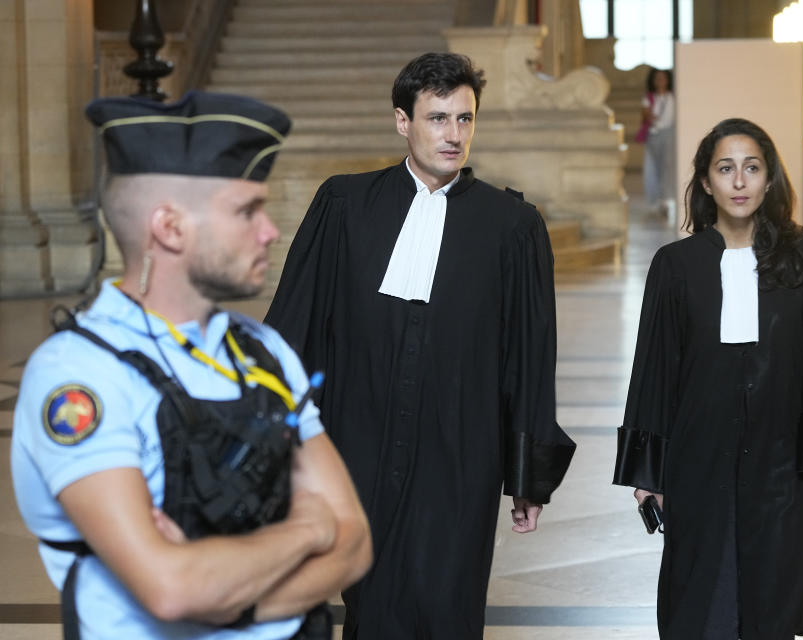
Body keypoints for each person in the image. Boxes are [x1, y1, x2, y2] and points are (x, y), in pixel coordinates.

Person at [10, 91, 372, 639]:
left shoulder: (263, 351)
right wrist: (304, 530)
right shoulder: (78, 374)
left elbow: (354, 542)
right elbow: (171, 589)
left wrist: (226, 598)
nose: (270, 230)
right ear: (170, 227)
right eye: (247, 211)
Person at [265, 52, 576, 639]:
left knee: (449, 601)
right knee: (369, 600)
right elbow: (294, 329)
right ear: (403, 122)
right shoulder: (345, 206)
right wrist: (277, 451)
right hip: (357, 443)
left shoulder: (512, 226)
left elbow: (529, 358)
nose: (453, 135)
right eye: (437, 118)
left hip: (461, 453)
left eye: (464, 119)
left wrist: (527, 474)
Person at [613, 118, 803, 639]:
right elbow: (654, 370)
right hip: (696, 461)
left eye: (752, 168)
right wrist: (650, 471)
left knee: (772, 596)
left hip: (781, 467)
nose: (740, 182)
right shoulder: (676, 266)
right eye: (726, 169)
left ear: (769, 178)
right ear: (707, 182)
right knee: (699, 600)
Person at [640, 67, 676, 211]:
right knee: (653, 167)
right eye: (657, 78)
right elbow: (646, 114)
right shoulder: (649, 97)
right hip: (654, 135)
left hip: (670, 134)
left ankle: (666, 197)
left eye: (663, 78)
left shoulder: (673, 96)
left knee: (668, 166)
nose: (660, 81)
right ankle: (655, 198)